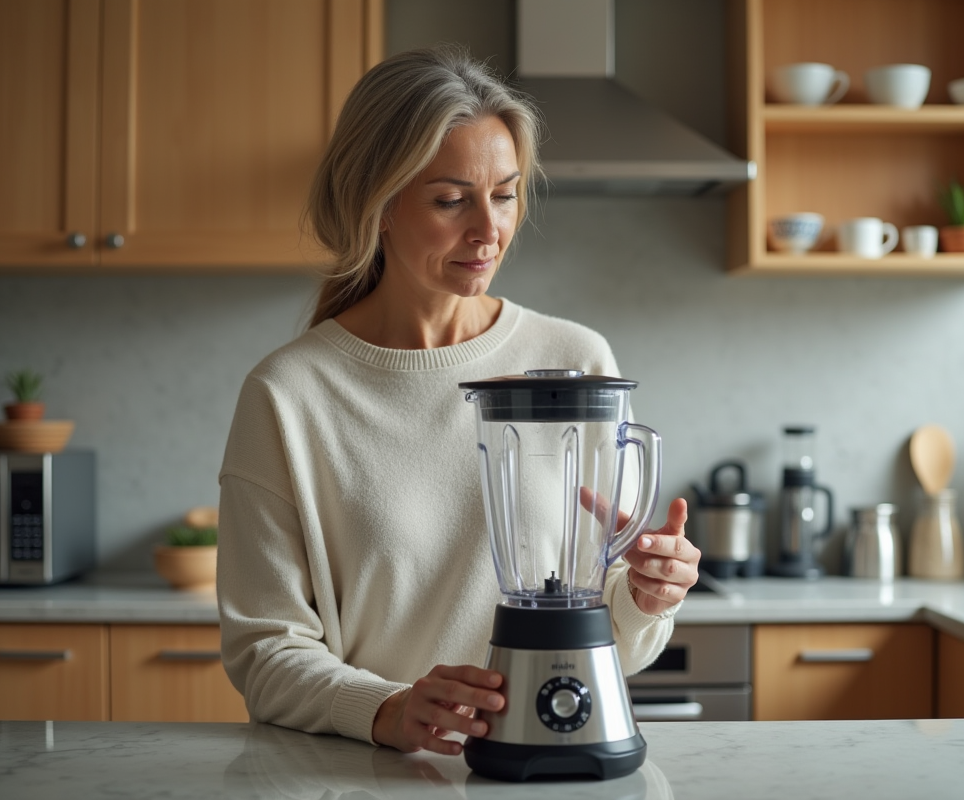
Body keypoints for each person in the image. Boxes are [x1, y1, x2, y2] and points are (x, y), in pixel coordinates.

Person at [216, 46, 700, 758]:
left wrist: (648, 595)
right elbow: (264, 650)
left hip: (554, 762)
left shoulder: (577, 362)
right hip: (376, 779)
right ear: (377, 204)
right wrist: (387, 709)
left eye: (504, 195)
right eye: (450, 200)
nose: (488, 230)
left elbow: (619, 638)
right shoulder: (289, 395)